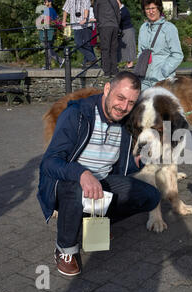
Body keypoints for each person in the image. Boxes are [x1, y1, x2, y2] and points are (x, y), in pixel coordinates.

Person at [37, 71, 161, 276]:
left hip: (101, 182)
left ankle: (90, 222)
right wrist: (81, 173)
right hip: (68, 184)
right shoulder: (77, 114)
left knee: (150, 196)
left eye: (131, 103)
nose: (124, 107)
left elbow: (121, 166)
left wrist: (139, 161)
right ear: (107, 89)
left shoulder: (125, 123)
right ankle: (65, 248)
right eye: (120, 98)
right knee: (77, 187)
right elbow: (49, 163)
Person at [137, 0, 183, 90]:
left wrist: (164, 71)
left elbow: (177, 55)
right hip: (144, 80)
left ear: (159, 8)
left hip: (162, 81)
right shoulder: (143, 28)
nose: (151, 11)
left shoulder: (169, 28)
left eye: (153, 8)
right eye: (147, 9)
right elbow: (140, 52)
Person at [62, 0, 98, 68]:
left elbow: (86, 9)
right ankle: (93, 59)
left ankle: (90, 64)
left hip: (86, 25)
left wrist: (85, 18)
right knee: (78, 44)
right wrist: (64, 21)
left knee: (88, 45)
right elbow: (65, 10)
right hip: (76, 26)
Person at [93, 0, 122, 76]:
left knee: (105, 49)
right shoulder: (114, 1)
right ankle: (114, 70)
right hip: (114, 26)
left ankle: (107, 71)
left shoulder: (98, 1)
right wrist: (117, 25)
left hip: (104, 26)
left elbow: (95, 14)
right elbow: (118, 14)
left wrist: (100, 22)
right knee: (113, 49)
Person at [38, 0, 64, 69]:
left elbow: (47, 21)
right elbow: (56, 20)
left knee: (46, 47)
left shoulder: (48, 9)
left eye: (45, 2)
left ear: (50, 2)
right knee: (48, 48)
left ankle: (57, 61)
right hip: (52, 31)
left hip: (48, 31)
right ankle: (49, 65)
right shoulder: (53, 10)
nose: (44, 3)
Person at [117, 0, 136, 69]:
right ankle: (128, 63)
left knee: (130, 46)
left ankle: (130, 64)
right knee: (124, 48)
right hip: (123, 30)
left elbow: (121, 18)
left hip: (128, 30)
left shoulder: (124, 9)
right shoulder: (119, 10)